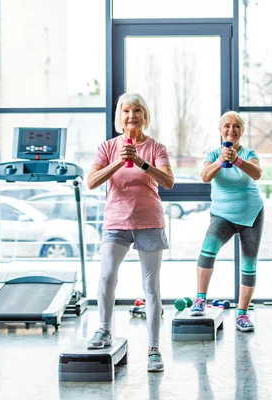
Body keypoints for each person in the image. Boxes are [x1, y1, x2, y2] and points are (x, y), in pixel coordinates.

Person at [86, 93, 175, 373]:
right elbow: (91, 181)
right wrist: (118, 161)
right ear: (120, 116)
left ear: (144, 115)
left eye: (137, 110)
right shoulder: (107, 147)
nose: (131, 116)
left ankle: (153, 348)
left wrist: (140, 161)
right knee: (107, 276)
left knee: (151, 287)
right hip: (116, 222)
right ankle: (104, 330)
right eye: (126, 111)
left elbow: (169, 182)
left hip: (149, 220)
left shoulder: (156, 148)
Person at [189, 111, 263, 332]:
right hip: (222, 214)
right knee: (207, 251)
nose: (231, 130)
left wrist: (237, 160)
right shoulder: (213, 154)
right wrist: (222, 161)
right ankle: (200, 299)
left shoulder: (249, 153)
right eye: (227, 126)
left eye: (236, 126)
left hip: (251, 214)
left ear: (242, 130)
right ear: (220, 131)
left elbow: (257, 173)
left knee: (249, 264)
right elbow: (204, 176)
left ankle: (242, 314)